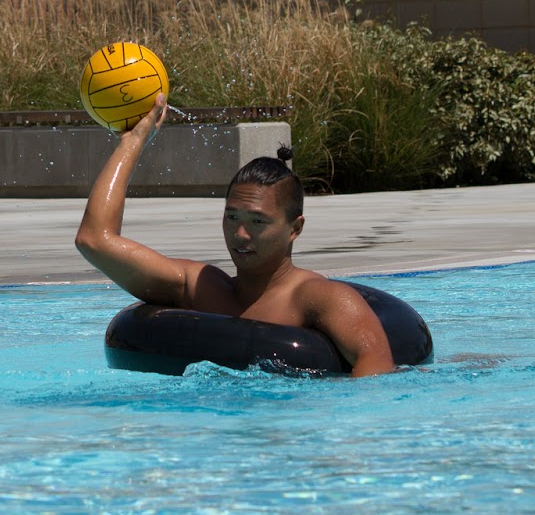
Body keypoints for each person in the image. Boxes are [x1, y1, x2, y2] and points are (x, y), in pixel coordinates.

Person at [75, 94, 396, 377]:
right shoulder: (201, 288)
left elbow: (375, 369)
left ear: (295, 228)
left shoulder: (319, 299)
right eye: (232, 218)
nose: (240, 234)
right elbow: (94, 240)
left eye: (257, 222)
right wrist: (132, 142)